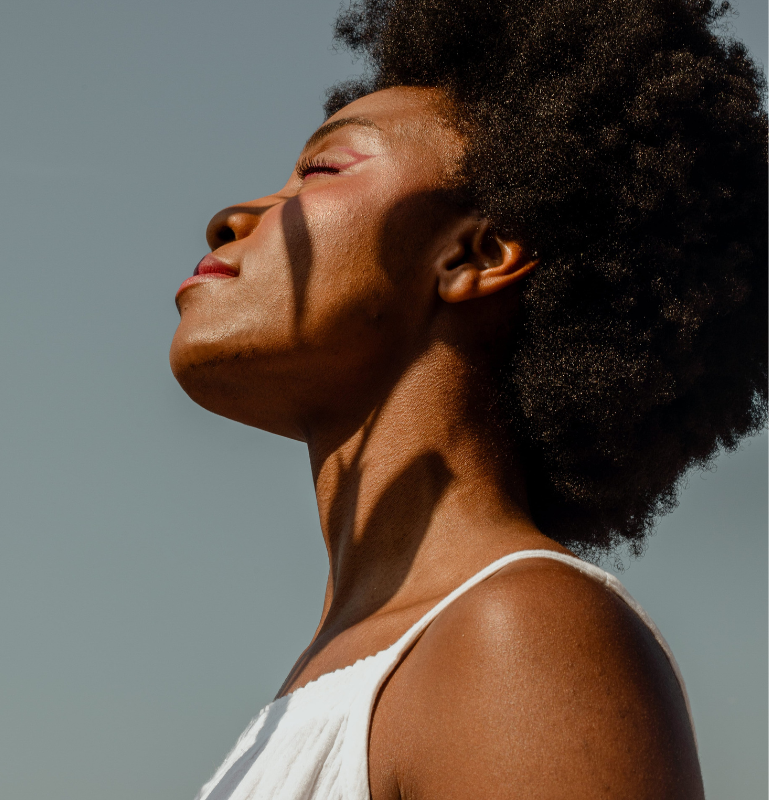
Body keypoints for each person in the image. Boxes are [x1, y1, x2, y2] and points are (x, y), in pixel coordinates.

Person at [170, 0, 766, 797]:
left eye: (321, 171)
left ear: (477, 254)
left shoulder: (516, 635)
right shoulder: (348, 674)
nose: (232, 218)